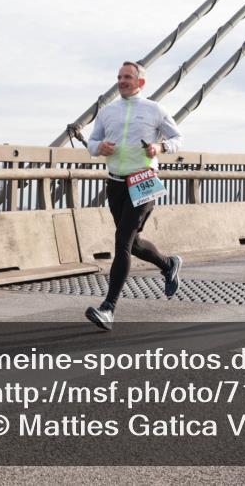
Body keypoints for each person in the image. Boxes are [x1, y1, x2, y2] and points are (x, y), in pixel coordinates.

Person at [84, 61, 184, 331]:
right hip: (115, 183)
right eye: (119, 77)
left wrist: (159, 146)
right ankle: (168, 264)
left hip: (143, 181)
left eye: (128, 77)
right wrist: (99, 147)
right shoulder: (107, 112)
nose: (122, 81)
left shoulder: (154, 109)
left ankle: (109, 308)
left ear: (140, 82)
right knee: (134, 242)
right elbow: (92, 144)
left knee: (122, 242)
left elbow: (177, 139)